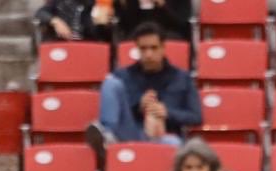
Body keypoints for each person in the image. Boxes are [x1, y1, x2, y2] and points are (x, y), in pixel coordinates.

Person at [85, 22, 200, 157]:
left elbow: (196, 116)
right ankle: (107, 136)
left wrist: (167, 112)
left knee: (175, 144)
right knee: (111, 83)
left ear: (163, 48)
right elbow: (120, 110)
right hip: (131, 133)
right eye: (143, 49)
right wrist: (138, 105)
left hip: (165, 135)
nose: (149, 54)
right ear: (137, 49)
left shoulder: (182, 77)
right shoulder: (123, 76)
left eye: (154, 48)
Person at [113, 0, 192, 42]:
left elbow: (182, 23)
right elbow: (126, 25)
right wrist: (125, 5)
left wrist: (163, 5)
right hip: (137, 32)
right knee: (130, 41)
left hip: (169, 32)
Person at [34, 1, 110, 42]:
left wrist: (101, 25)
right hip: (60, 43)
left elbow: (99, 34)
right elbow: (40, 13)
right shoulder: (58, 2)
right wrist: (56, 21)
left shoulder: (97, 4)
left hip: (87, 46)